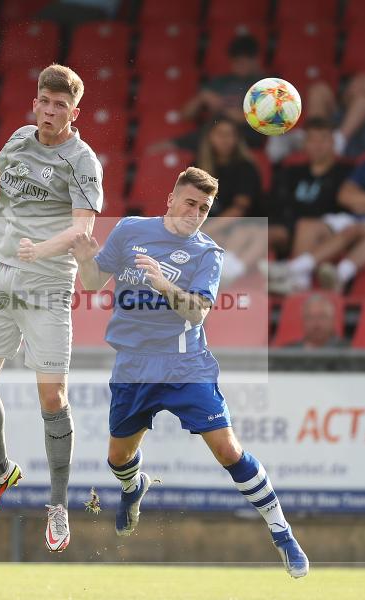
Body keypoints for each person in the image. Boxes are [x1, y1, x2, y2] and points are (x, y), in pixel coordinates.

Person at [70, 167, 309, 579]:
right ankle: (133, 488)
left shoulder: (206, 254)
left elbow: (198, 311)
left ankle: (282, 532)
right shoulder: (130, 230)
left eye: (204, 207)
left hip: (185, 365)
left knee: (228, 450)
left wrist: (163, 284)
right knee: (118, 457)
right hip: (133, 366)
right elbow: (94, 282)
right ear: (170, 199)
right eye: (190, 203)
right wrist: (84, 260)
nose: (195, 213)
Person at [0, 64, 103, 553]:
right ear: (35, 103)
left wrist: (43, 248)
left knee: (52, 397)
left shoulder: (83, 161)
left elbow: (83, 229)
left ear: (75, 112)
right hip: (3, 279)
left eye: (60, 106)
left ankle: (57, 503)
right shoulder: (22, 139)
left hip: (49, 284)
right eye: (44, 103)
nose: (50, 112)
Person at [268, 112, 365, 294]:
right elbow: (344, 197)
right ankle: (298, 281)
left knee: (355, 229)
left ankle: (295, 270)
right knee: (307, 225)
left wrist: (362, 201)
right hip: (354, 218)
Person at [192, 119, 266, 284]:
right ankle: (224, 272)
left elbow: (239, 210)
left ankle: (226, 273)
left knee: (243, 234)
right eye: (220, 134)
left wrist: (204, 228)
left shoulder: (246, 168)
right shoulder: (197, 167)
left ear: (237, 139)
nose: (225, 139)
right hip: (214, 227)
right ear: (209, 137)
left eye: (230, 135)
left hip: (245, 225)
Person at [270, 117, 354, 259]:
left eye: (323, 139)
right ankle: (231, 273)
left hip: (323, 229)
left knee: (304, 228)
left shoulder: (347, 173)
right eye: (312, 140)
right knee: (255, 229)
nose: (317, 145)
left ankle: (295, 279)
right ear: (305, 144)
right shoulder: (292, 172)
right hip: (289, 227)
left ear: (333, 142)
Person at [181, 35, 264, 146]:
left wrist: (223, 108)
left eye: (243, 62)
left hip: (246, 137)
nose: (239, 66)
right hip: (214, 135)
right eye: (235, 62)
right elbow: (186, 114)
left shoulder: (264, 84)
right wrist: (202, 96)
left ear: (255, 61)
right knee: (165, 147)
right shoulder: (220, 82)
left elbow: (259, 120)